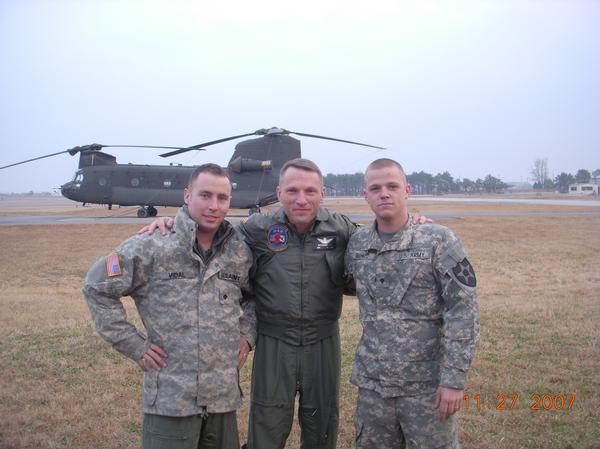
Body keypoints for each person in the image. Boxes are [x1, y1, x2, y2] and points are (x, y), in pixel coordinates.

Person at [142, 158, 429, 449]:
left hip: (323, 341)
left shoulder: (341, 230)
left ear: (323, 193)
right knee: (267, 425)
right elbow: (214, 234)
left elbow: (379, 241)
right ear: (279, 193)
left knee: (322, 425)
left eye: (310, 191)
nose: (301, 199)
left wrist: (411, 224)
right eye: (292, 191)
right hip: (274, 341)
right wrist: (176, 222)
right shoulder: (257, 229)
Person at [83, 163, 254, 449]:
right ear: (187, 195)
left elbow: (257, 296)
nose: (214, 205)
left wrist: (247, 336)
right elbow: (96, 287)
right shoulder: (151, 245)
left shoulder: (239, 250)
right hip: (170, 401)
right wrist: (135, 345)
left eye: (222, 198)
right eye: (205, 195)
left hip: (222, 399)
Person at [345, 158, 479, 449]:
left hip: (425, 388)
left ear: (406, 190)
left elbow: (463, 312)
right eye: (375, 188)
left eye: (392, 186)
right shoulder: (357, 244)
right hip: (373, 386)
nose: (384, 193)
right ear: (365, 195)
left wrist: (454, 380)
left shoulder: (437, 240)